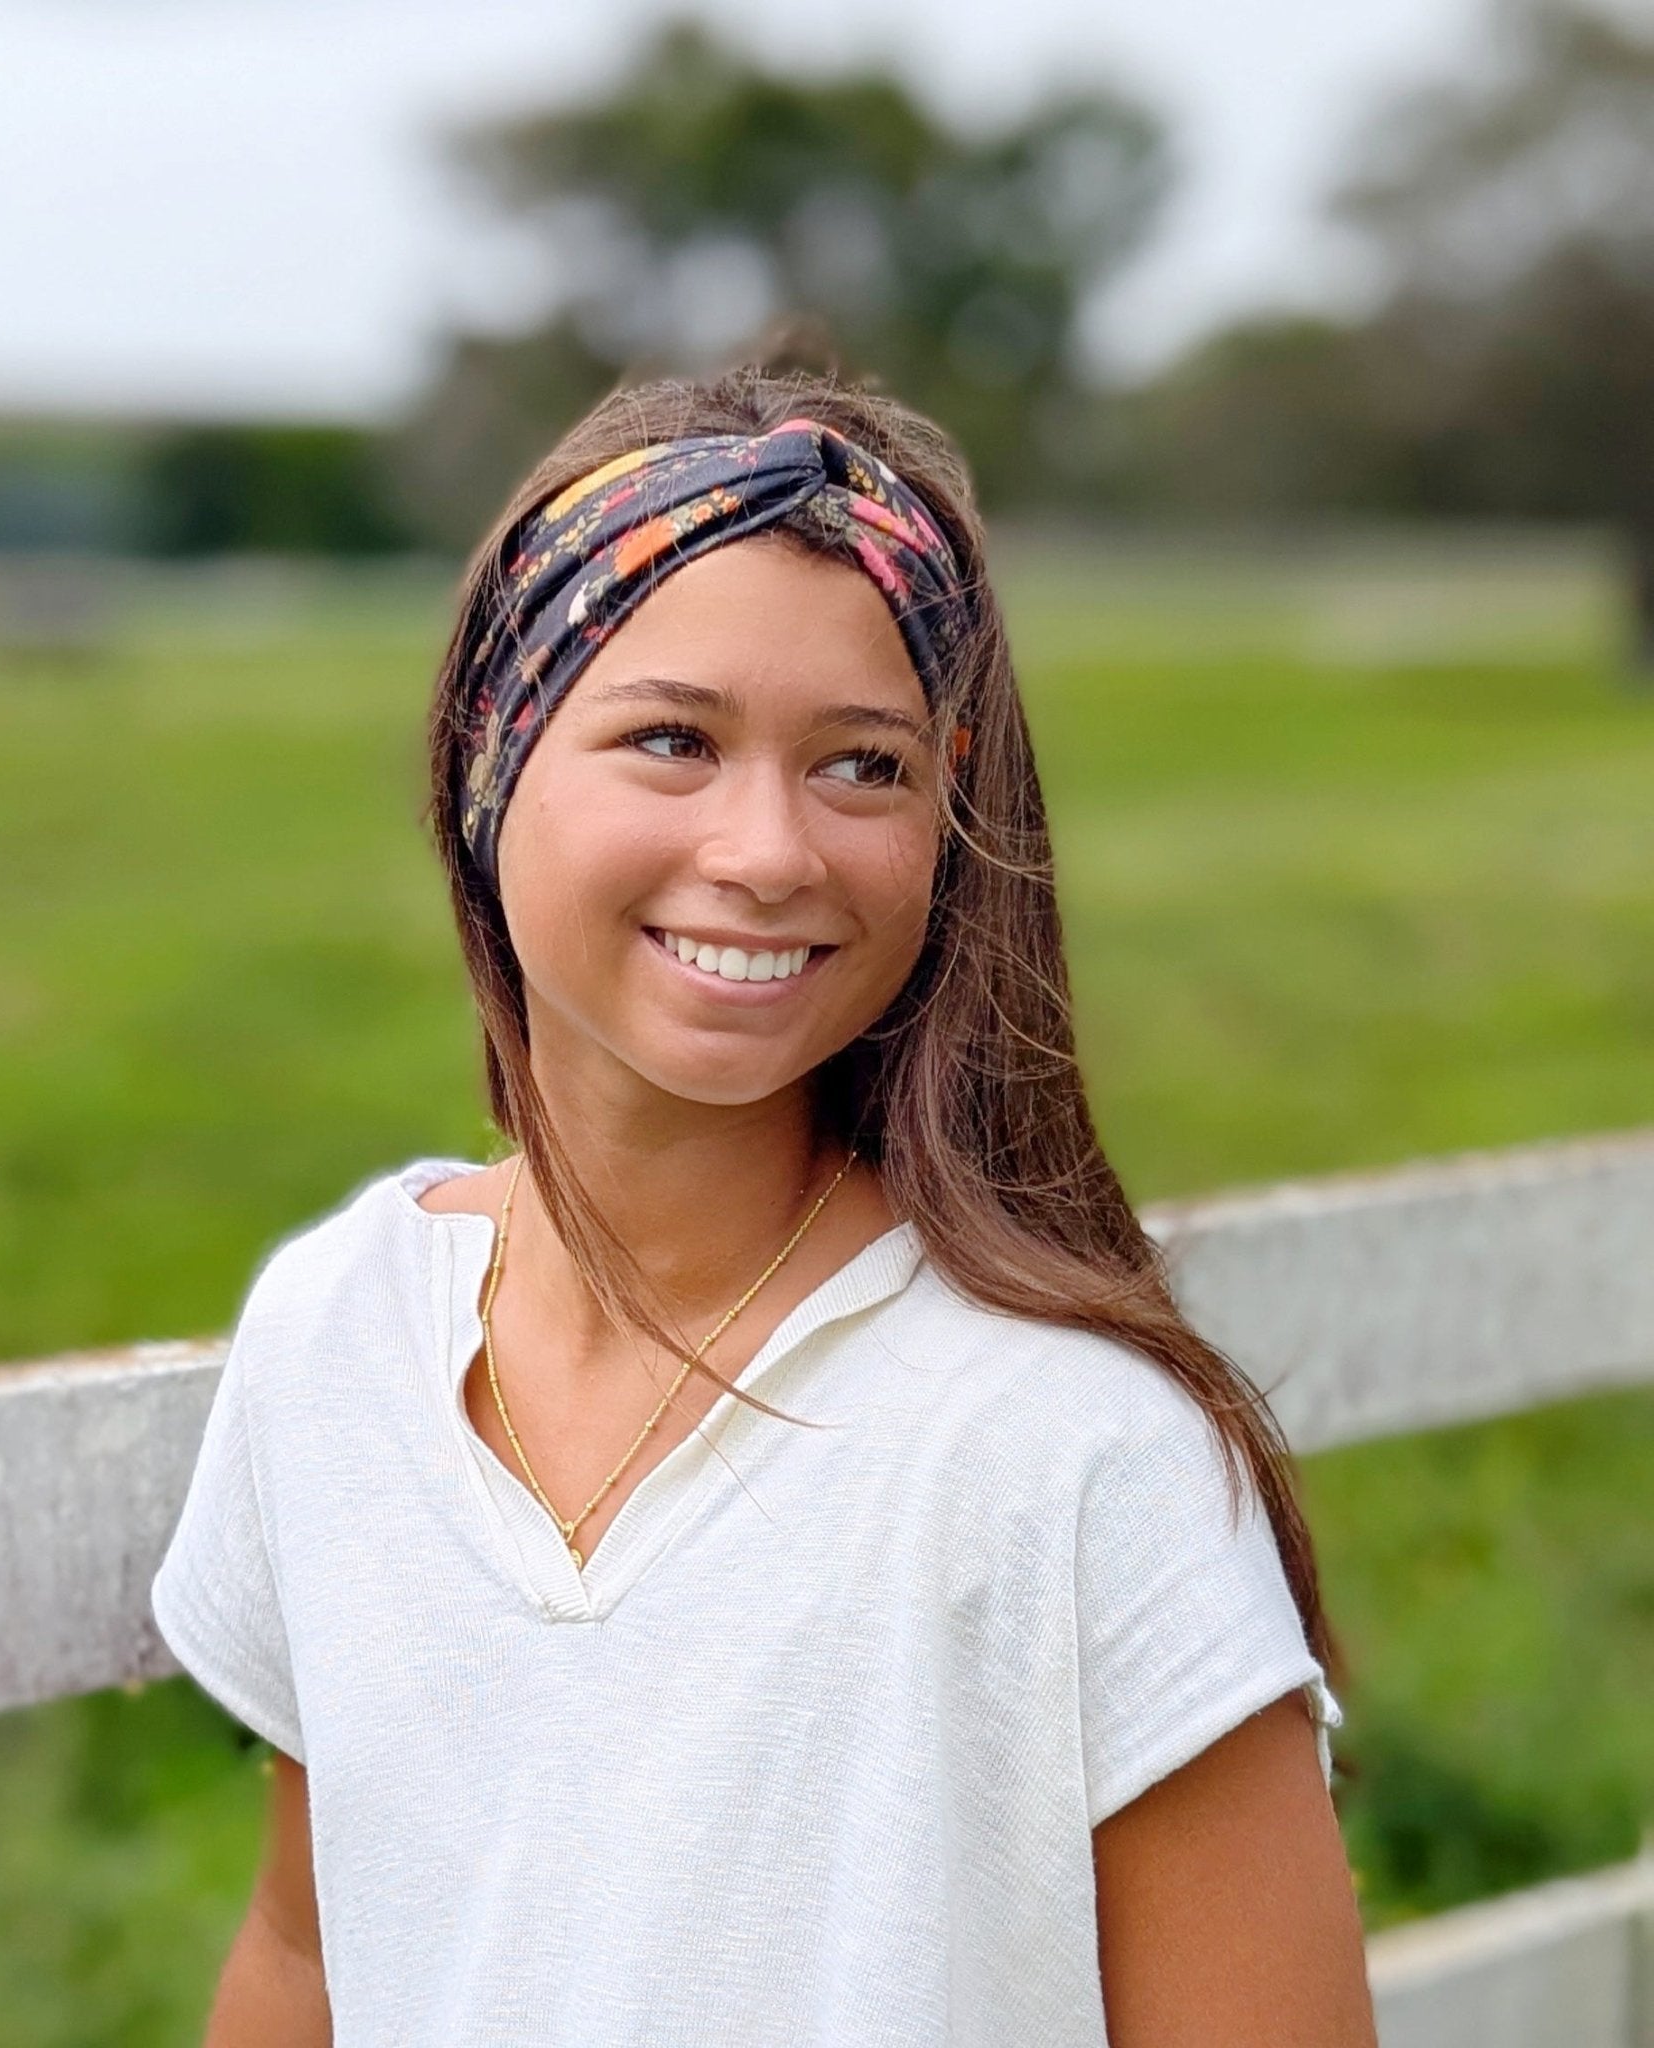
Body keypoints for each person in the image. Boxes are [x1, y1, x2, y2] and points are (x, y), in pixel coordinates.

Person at [150, 366, 1378, 2046]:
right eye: (673, 738)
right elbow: (306, 1952)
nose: (768, 849)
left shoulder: (1076, 1449)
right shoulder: (335, 1333)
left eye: (862, 769)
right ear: (485, 763)